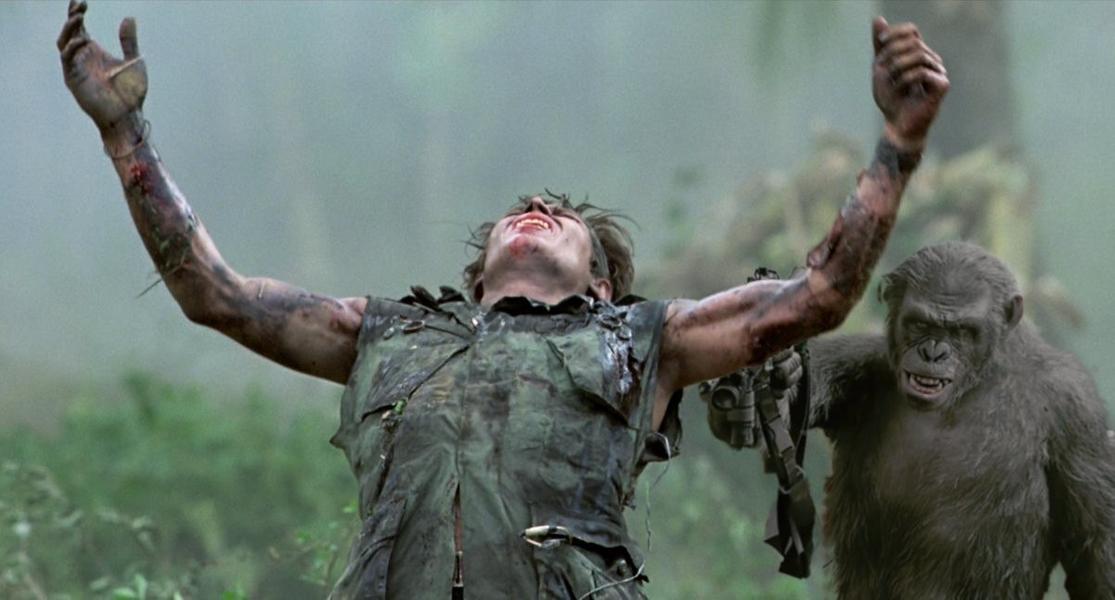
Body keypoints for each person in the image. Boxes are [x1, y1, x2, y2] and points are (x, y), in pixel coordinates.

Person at [57, 2, 948, 598]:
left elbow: (818, 295)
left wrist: (897, 143)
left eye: (562, 216)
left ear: (600, 282)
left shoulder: (645, 340)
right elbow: (214, 293)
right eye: (520, 211)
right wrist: (124, 134)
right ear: (479, 275)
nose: (535, 207)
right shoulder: (383, 334)